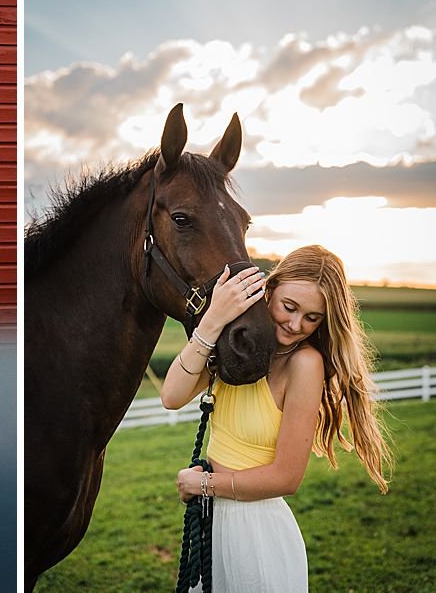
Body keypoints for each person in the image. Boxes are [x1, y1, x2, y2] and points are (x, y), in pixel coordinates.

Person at [161, 245, 391, 592]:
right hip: (212, 524)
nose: (296, 324)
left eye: (313, 318)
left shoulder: (305, 364)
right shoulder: (240, 346)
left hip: (255, 533)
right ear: (269, 289)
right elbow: (172, 396)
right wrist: (212, 323)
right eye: (289, 307)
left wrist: (204, 485)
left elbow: (286, 477)